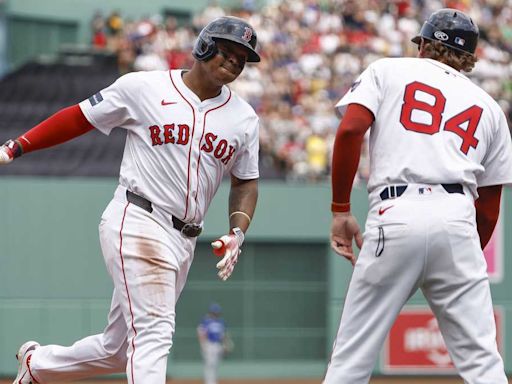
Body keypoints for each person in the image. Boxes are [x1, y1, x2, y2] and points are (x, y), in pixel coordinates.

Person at [1, 15, 261, 384]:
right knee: (155, 332)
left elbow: (246, 182)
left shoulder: (244, 119)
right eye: (228, 51)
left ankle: (38, 364)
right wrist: (17, 146)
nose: (234, 62)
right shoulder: (144, 87)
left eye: (242, 59)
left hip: (184, 239)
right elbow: (80, 117)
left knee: (117, 350)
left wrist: (239, 231)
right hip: (139, 216)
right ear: (204, 45)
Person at [325, 8, 512, 383]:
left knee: (351, 360)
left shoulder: (389, 70)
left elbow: (350, 132)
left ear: (425, 44)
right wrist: (462, 251)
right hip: (458, 216)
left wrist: (341, 208)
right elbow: (489, 207)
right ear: (470, 59)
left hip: (396, 209)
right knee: (484, 363)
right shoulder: (491, 109)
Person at [197, 303, 232, 384]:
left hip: (217, 345)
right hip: (209, 344)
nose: (215, 314)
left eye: (216, 312)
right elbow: (201, 332)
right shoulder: (206, 321)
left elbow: (223, 335)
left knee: (215, 364)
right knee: (209, 364)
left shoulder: (221, 322)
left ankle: (213, 381)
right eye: (214, 312)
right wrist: (203, 344)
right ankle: (209, 382)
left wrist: (226, 344)